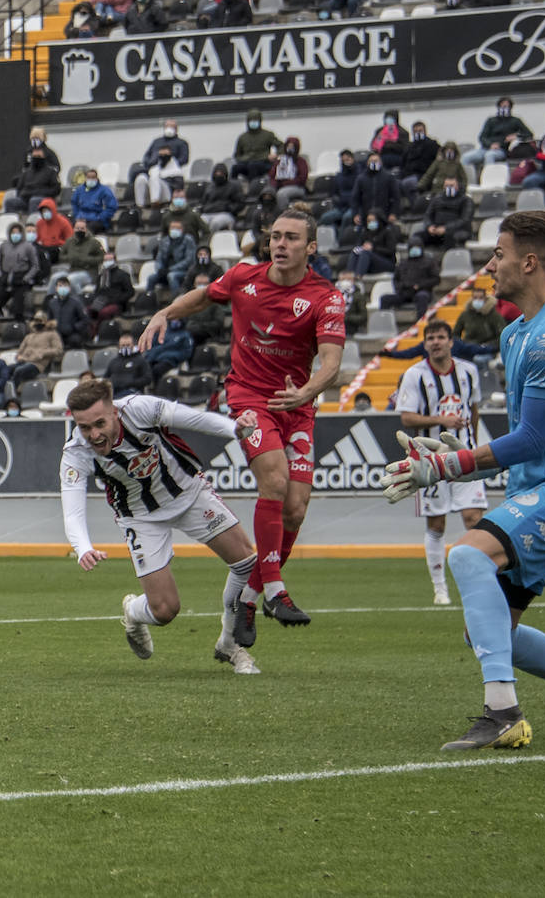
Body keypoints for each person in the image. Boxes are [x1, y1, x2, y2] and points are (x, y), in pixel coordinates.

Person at [381, 210, 545, 750]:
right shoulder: (517, 333)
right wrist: (461, 452)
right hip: (536, 487)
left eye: (497, 254)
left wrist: (449, 464)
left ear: (529, 260)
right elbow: (524, 440)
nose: (489, 266)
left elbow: (533, 440)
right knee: (491, 629)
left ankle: (502, 712)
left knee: (466, 555)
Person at [140, 210, 346, 645]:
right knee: (273, 477)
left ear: (311, 247)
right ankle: (275, 589)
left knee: (295, 508)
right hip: (250, 399)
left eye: (292, 238)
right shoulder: (242, 277)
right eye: (275, 236)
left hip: (298, 403)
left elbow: (331, 363)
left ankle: (248, 600)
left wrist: (307, 392)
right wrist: (165, 312)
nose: (280, 244)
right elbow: (202, 297)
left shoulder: (325, 298)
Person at [61, 378, 262, 672]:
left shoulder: (140, 410)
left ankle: (231, 644)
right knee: (166, 610)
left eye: (99, 424)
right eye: (84, 427)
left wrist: (233, 429)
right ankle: (132, 610)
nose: (94, 434)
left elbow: (195, 418)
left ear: (114, 412)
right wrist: (83, 548)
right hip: (140, 516)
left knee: (246, 563)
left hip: (189, 493)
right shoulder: (76, 452)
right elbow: (72, 509)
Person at [393, 320, 485, 605]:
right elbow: (407, 418)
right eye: (430, 338)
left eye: (440, 337)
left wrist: (473, 445)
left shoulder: (468, 371)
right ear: (425, 343)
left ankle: (482, 582)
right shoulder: (413, 375)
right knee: (437, 525)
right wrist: (441, 420)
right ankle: (440, 588)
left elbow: (474, 410)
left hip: (465, 457)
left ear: (451, 341)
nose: (435, 342)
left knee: (475, 520)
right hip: (430, 463)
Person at [0, 223, 41, 322]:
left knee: (18, 310)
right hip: (5, 280)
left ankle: (19, 330)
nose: (15, 235)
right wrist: (0, 275)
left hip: (20, 281)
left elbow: (35, 266)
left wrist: (26, 278)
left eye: (18, 233)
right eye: (13, 232)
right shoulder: (4, 246)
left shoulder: (28, 247)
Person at [462, 96, 534, 167]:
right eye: (502, 106)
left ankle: (489, 177)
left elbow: (529, 134)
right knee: (466, 157)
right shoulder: (491, 120)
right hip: (486, 148)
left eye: (506, 106)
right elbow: (482, 137)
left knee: (490, 155)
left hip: (501, 150)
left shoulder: (515, 121)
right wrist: (490, 145)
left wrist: (516, 136)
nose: (504, 108)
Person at [411, 177, 474, 250]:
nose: (449, 188)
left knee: (449, 237)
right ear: (444, 186)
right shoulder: (437, 199)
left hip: (457, 231)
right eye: (447, 185)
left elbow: (464, 220)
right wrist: (430, 226)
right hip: (437, 230)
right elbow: (428, 215)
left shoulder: (466, 200)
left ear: (457, 186)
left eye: (452, 185)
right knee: (417, 237)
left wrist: (446, 228)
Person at [380, 244, 440, 319]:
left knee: (422, 297)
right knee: (385, 299)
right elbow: (396, 279)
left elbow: (436, 279)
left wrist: (420, 286)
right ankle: (384, 323)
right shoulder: (403, 263)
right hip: (405, 292)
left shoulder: (429, 262)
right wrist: (402, 287)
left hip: (422, 291)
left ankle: (420, 324)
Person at [10, 311, 63, 383]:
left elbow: (58, 350)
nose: (38, 323)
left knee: (19, 370)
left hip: (38, 365)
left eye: (40, 320)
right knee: (7, 369)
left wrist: (43, 353)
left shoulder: (52, 334)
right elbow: (20, 350)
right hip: (24, 361)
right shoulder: (29, 336)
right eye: (36, 320)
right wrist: (19, 356)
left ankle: (13, 391)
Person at [231, 110, 279, 181]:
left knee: (253, 166)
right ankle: (233, 187)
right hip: (246, 162)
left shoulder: (268, 135)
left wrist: (276, 155)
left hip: (263, 162)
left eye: (255, 120)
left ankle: (252, 187)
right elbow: (237, 155)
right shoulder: (242, 137)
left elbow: (281, 146)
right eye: (251, 120)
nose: (253, 122)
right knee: (235, 168)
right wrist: (242, 159)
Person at [106, 332, 153, 398]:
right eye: (123, 345)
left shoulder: (140, 360)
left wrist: (131, 382)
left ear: (133, 345)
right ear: (119, 346)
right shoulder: (114, 361)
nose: (125, 347)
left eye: (128, 345)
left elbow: (147, 379)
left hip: (133, 393)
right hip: (115, 392)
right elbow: (106, 378)